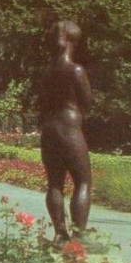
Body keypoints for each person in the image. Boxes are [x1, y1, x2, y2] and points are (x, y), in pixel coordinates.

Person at [38, 20, 92, 241]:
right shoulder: (76, 70)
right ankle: (78, 236)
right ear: (74, 42)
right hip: (69, 127)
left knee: (55, 183)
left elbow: (42, 102)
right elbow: (87, 102)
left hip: (49, 129)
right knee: (83, 181)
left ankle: (60, 232)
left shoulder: (47, 72)